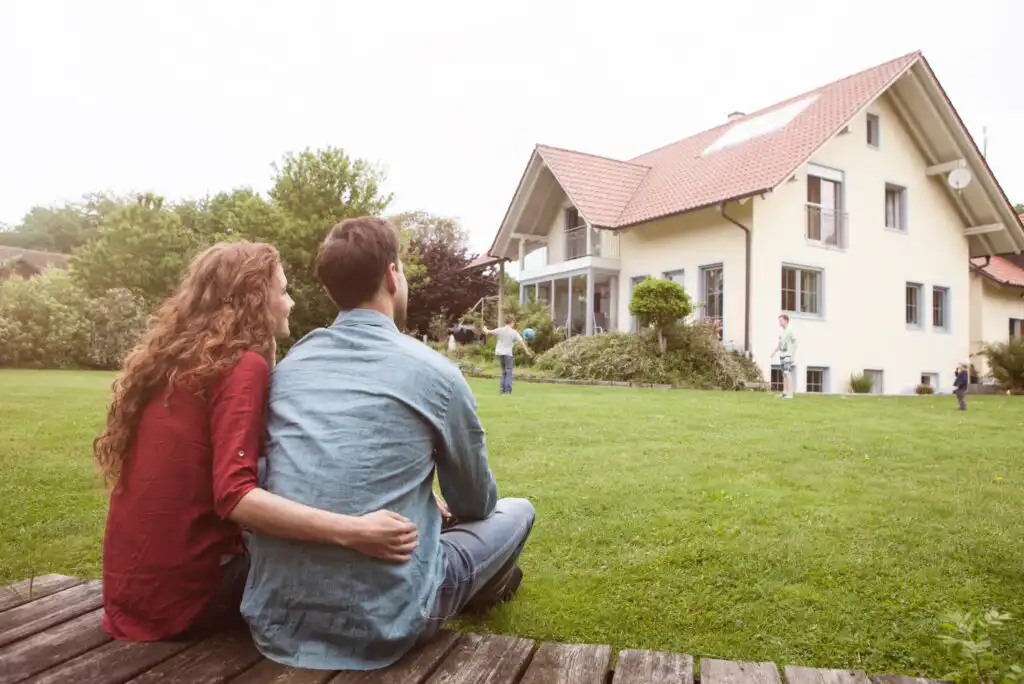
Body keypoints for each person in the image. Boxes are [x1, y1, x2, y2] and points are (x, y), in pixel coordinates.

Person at [242, 217, 535, 671]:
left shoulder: (292, 366)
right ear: (392, 275)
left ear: (329, 290)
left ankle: (480, 579)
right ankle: (487, 586)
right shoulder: (435, 372)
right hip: (390, 620)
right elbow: (475, 503)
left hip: (276, 618)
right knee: (517, 511)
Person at [97, 241, 419, 642]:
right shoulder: (240, 366)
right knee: (344, 564)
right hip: (187, 601)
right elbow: (235, 496)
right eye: (282, 291)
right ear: (254, 300)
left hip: (132, 596)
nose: (291, 302)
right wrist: (354, 530)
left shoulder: (179, 361)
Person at [483, 314, 532, 394]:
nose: (514, 324)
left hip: (500, 353)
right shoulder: (514, 332)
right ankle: (508, 390)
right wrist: (527, 352)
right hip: (508, 354)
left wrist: (484, 328)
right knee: (508, 372)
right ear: (512, 322)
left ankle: (502, 389)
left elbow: (487, 332)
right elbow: (521, 342)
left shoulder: (499, 330)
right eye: (514, 322)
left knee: (503, 372)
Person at [770, 313, 797, 399]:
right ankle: (785, 392)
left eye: (781, 320)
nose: (779, 322)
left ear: (785, 321)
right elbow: (780, 344)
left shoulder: (790, 331)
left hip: (787, 355)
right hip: (782, 355)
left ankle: (790, 394)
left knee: (787, 373)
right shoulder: (782, 332)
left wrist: (792, 356)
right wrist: (774, 352)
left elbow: (795, 343)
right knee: (784, 374)